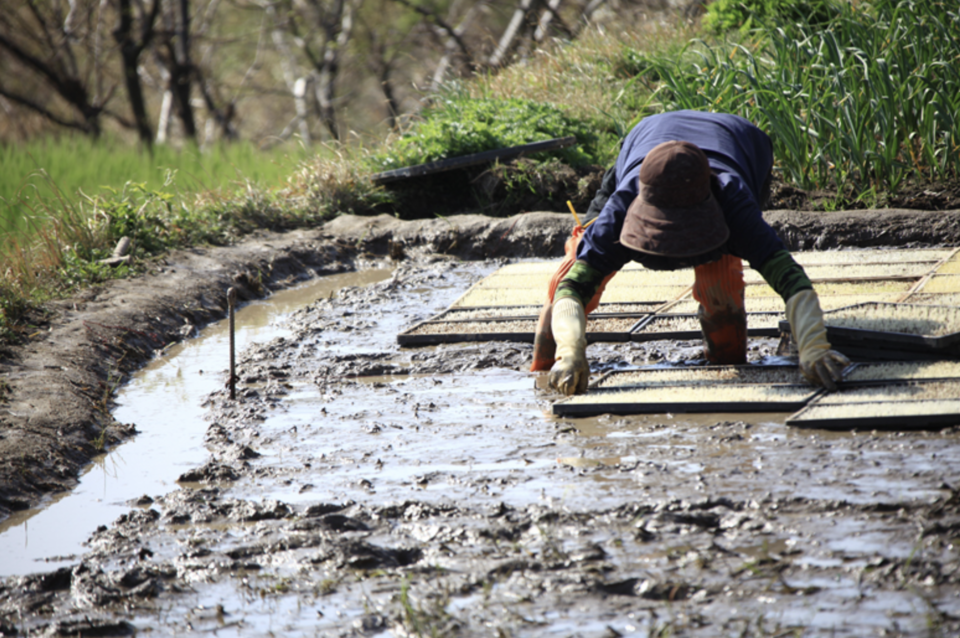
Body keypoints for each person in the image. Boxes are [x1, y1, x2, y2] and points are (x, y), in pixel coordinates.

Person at [539, 110, 851, 395]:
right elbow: (574, 288)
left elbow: (790, 279)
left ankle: (726, 360)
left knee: (721, 285)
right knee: (574, 265)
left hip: (737, 141)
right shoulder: (619, 210)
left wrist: (813, 346)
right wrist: (569, 352)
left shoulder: (734, 206)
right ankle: (544, 366)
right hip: (649, 137)